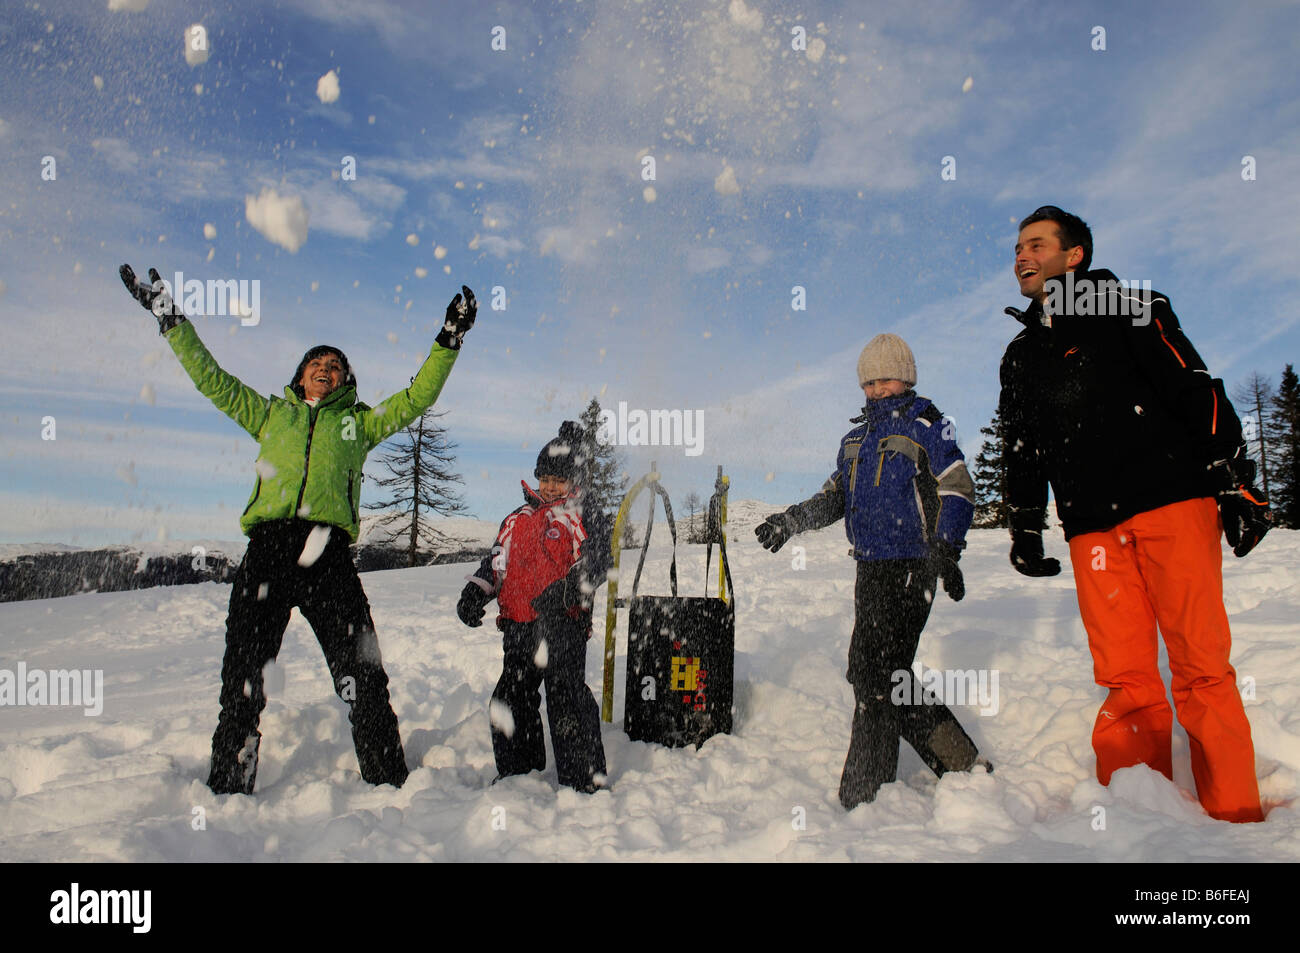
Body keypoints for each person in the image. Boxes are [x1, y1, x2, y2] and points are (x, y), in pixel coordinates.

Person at [120, 264, 477, 795]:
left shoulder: (358, 424)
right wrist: (171, 320)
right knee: (243, 678)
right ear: (301, 374)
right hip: (267, 551)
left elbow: (417, 397)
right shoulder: (269, 414)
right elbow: (210, 378)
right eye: (318, 363)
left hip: (328, 557)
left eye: (336, 366)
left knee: (364, 676)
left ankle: (390, 783)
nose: (326, 369)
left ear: (346, 381)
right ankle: (228, 786)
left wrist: (449, 338)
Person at [999, 206, 1273, 822]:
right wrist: (1024, 524)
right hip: (1091, 526)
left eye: (1036, 244)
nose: (1021, 255)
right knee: (1125, 675)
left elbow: (1193, 386)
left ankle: (1234, 815)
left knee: (1200, 665)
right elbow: (1021, 443)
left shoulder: (1129, 305)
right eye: (1017, 247)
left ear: (1074, 256)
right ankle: (1140, 822)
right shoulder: (1021, 353)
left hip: (1171, 501)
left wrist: (1233, 479)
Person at [754, 334, 989, 810]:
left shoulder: (929, 425)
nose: (878, 388)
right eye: (869, 380)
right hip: (870, 569)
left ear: (907, 377)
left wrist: (947, 549)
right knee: (875, 673)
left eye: (887, 378)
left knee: (877, 673)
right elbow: (833, 498)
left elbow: (959, 487)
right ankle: (956, 765)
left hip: (912, 565)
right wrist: (790, 520)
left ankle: (867, 792)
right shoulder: (854, 441)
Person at [456, 421, 611, 793]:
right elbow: (495, 562)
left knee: (566, 698)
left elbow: (598, 560)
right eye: (545, 478)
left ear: (575, 482)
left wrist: (568, 591)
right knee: (510, 697)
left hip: (562, 624)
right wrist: (476, 592)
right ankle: (518, 774)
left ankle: (583, 777)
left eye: (560, 480)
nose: (550, 486)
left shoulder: (582, 515)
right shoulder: (516, 519)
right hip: (519, 626)